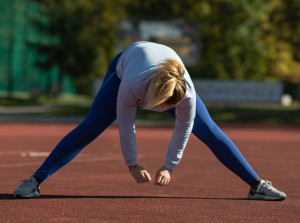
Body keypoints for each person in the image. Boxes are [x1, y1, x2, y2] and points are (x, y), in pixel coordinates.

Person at [14, 41, 286, 200]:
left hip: (162, 74)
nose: (168, 110)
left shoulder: (186, 95)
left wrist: (169, 166)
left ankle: (256, 185)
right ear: (155, 97)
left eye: (173, 106)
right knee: (91, 127)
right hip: (126, 63)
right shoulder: (131, 84)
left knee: (210, 131)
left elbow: (184, 127)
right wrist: (132, 164)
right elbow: (125, 122)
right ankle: (34, 181)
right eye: (165, 105)